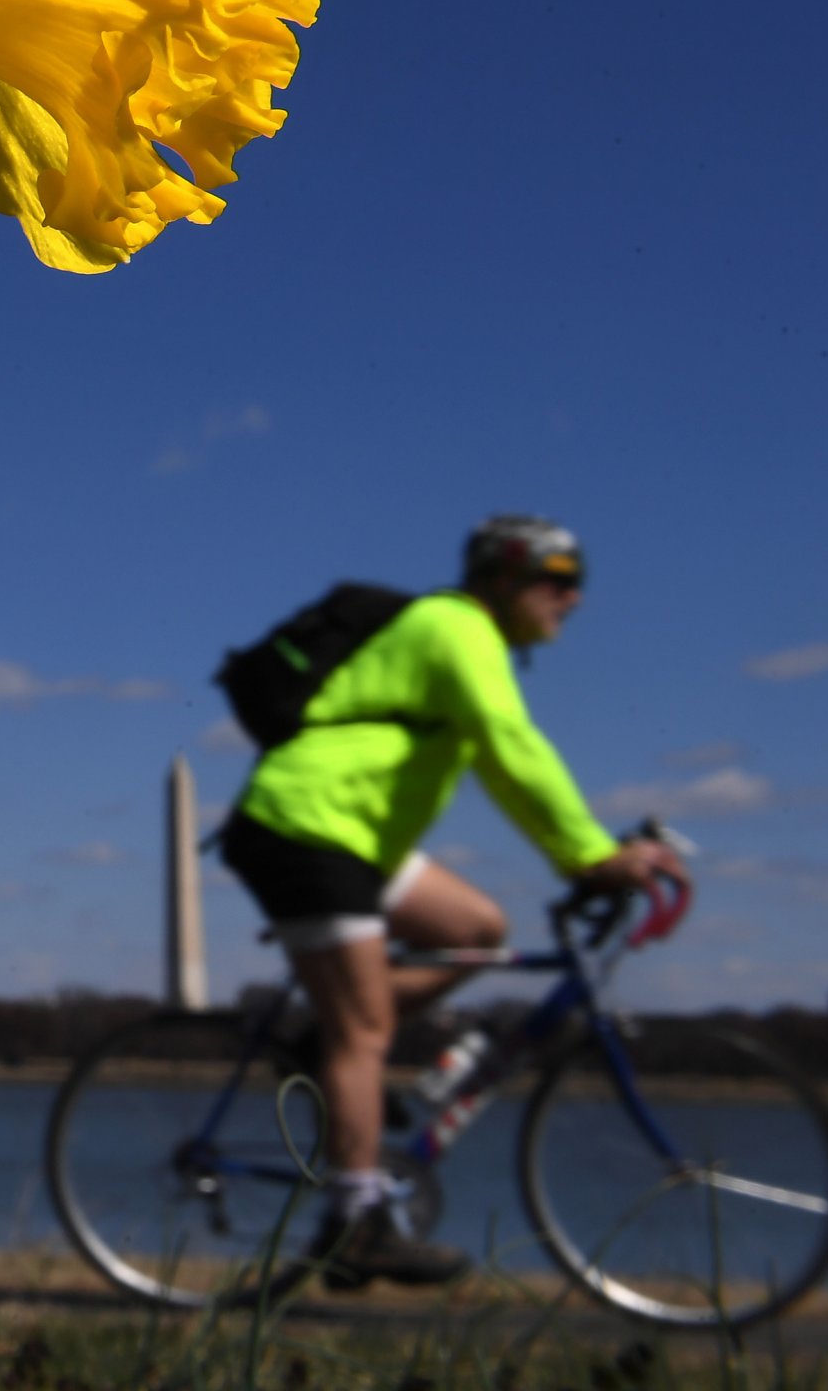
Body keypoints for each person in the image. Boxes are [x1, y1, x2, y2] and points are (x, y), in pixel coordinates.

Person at [216, 515, 690, 1290]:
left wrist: (584, 854)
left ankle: (319, 1037)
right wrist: (592, 855)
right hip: (304, 824)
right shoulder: (455, 626)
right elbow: (511, 745)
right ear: (503, 579)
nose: (572, 598)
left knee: (476, 929)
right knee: (365, 1029)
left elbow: (504, 764)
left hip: (358, 836)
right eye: (557, 579)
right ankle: (356, 1222)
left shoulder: (469, 639)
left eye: (578, 584)